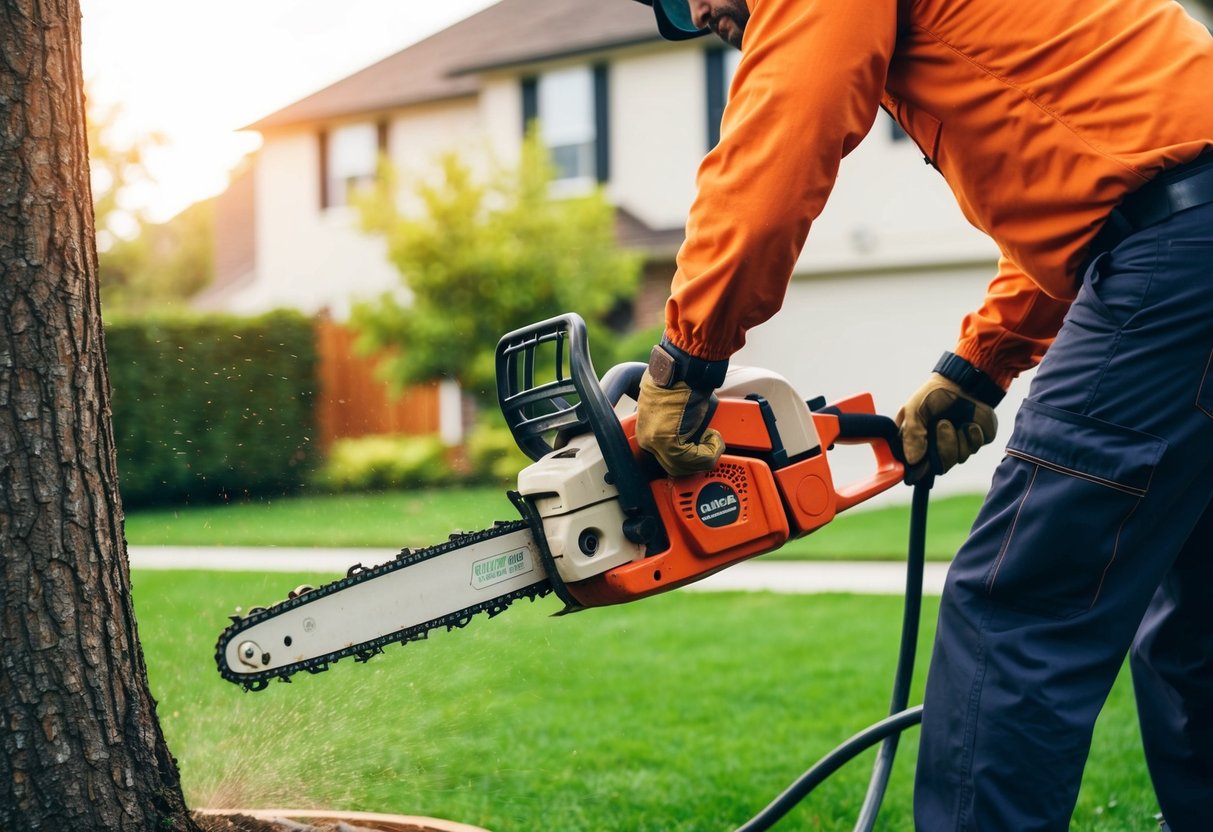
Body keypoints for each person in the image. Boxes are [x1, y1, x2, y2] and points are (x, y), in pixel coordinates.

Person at [628, 0, 1213, 828]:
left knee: (1017, 605)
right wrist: (978, 364)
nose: (700, 13)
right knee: (1198, 627)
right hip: (1183, 243)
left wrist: (686, 356)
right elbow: (1116, 186)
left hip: (1178, 264)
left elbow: (785, 129)